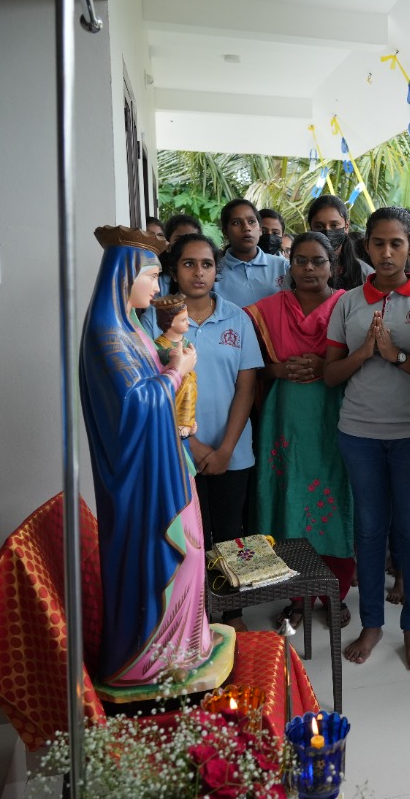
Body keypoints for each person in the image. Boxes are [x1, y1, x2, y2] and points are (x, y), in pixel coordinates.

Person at [79, 226, 212, 686]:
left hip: (167, 464)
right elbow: (134, 406)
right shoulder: (107, 336)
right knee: (171, 555)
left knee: (192, 552)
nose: (158, 288)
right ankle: (148, 659)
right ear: (125, 277)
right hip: (142, 481)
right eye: (152, 276)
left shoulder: (130, 330)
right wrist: (177, 371)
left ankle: (184, 646)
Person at [324, 206, 410, 671]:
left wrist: (394, 356)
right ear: (365, 246)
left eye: (397, 243)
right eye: (379, 243)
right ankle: (372, 624)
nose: (387, 252)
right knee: (369, 530)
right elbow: (331, 375)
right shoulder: (348, 303)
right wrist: (365, 353)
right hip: (359, 433)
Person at [246, 231, 355, 629]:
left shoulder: (348, 305)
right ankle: (296, 594)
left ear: (334, 266)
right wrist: (278, 369)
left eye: (318, 261)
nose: (309, 268)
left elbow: (361, 357)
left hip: (335, 413)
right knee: (287, 497)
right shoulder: (265, 310)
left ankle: (335, 592)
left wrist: (326, 367)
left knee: (336, 495)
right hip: (286, 416)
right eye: (301, 261)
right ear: (289, 266)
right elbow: (248, 364)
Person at [142, 233, 263, 553]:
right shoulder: (154, 321)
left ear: (216, 270)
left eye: (206, 264)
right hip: (177, 451)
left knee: (231, 535)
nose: (198, 272)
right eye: (189, 264)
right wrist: (190, 444)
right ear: (173, 270)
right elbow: (153, 388)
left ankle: (232, 606)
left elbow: (245, 390)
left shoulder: (238, 319)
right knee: (190, 540)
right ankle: (197, 605)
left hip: (232, 451)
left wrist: (224, 449)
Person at [217, 199, 288, 308]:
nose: (246, 228)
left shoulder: (283, 266)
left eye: (251, 222)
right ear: (225, 232)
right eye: (236, 223)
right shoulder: (215, 271)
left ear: (259, 229)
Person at [152, 294, 198, 438]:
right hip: (171, 382)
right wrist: (169, 354)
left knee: (191, 385)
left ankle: (188, 421)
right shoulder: (161, 343)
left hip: (186, 377)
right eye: (183, 320)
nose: (188, 323)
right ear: (171, 322)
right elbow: (158, 355)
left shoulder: (184, 341)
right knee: (187, 384)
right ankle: (181, 421)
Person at [308, 195, 373, 291]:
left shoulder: (364, 273)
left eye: (334, 225)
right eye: (319, 226)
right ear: (311, 228)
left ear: (346, 227)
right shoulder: (299, 269)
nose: (327, 231)